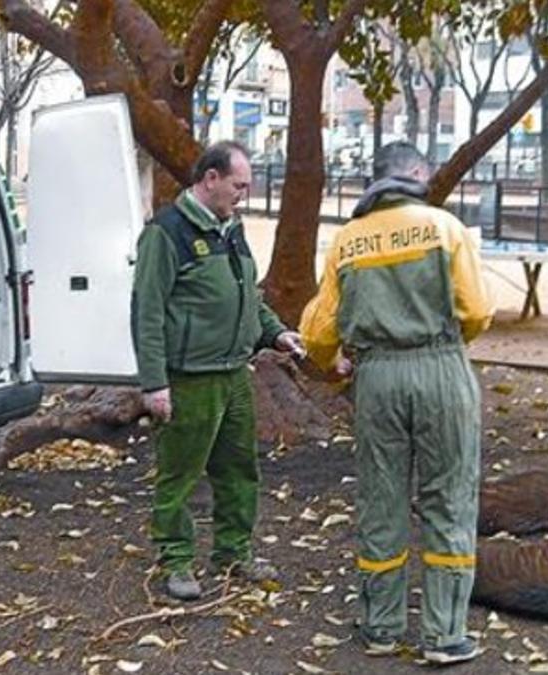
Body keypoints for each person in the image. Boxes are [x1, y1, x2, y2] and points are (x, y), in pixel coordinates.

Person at [299, 141, 494, 665]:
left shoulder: (348, 240)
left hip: (376, 376)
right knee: (449, 497)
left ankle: (381, 628)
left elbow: (318, 328)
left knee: (380, 498)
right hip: (440, 367)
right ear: (413, 174)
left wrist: (331, 361)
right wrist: (443, 345)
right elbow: (476, 310)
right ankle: (444, 635)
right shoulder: (445, 228)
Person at [131, 141, 304, 601]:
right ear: (210, 179)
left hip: (234, 375)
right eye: (238, 184)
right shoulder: (166, 233)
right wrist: (154, 383)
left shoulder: (231, 229)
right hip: (189, 378)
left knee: (239, 469)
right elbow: (146, 312)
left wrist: (276, 333)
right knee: (180, 474)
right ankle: (176, 561)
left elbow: (249, 295)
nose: (244, 194)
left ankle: (233, 552)